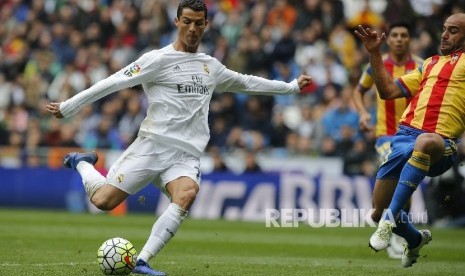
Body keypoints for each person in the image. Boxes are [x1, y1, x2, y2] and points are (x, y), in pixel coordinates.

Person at [46, 1, 312, 275]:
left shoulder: (210, 67)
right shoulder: (156, 60)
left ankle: (142, 261)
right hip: (152, 146)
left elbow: (246, 82)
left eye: (198, 23)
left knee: (186, 194)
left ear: (206, 25)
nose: (192, 28)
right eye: (187, 22)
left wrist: (290, 88)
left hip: (186, 154)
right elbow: (113, 81)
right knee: (103, 202)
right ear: (176, 22)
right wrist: (69, 106)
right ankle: (82, 162)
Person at [354, 13, 465, 268]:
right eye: (444, 29)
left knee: (425, 142)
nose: (445, 35)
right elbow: (387, 92)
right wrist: (374, 53)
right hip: (402, 137)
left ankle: (388, 223)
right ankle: (415, 239)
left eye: (454, 30)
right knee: (376, 210)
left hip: (441, 143)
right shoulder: (429, 64)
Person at [352, 22, 424, 259]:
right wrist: (363, 113)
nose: (400, 39)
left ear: (409, 39)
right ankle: (394, 231)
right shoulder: (377, 64)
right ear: (389, 39)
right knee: (397, 172)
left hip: (414, 133)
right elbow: (358, 91)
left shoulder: (422, 66)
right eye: (395, 35)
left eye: (404, 35)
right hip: (386, 134)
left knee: (407, 185)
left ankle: (400, 232)